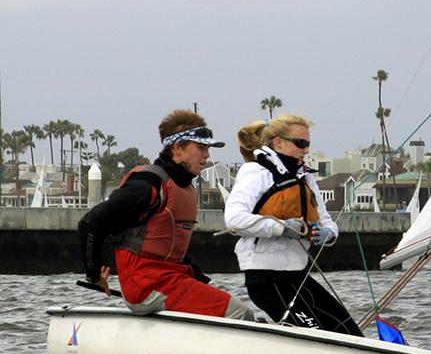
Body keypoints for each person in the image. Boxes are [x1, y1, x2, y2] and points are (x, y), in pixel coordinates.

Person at [78, 109, 253, 320]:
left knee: (227, 303)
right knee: (240, 313)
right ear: (177, 149)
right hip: (147, 287)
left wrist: (201, 282)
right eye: (200, 148)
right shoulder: (146, 185)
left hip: (170, 280)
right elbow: (90, 223)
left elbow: (169, 247)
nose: (207, 155)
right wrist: (94, 275)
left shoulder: (183, 188)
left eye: (208, 148)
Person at [224, 114, 363, 336]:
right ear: (278, 142)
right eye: (301, 144)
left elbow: (326, 220)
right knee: (317, 337)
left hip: (296, 274)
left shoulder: (304, 177)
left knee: (351, 334)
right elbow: (234, 219)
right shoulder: (256, 171)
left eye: (308, 144)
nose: (306, 150)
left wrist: (327, 234)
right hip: (266, 279)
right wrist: (282, 227)